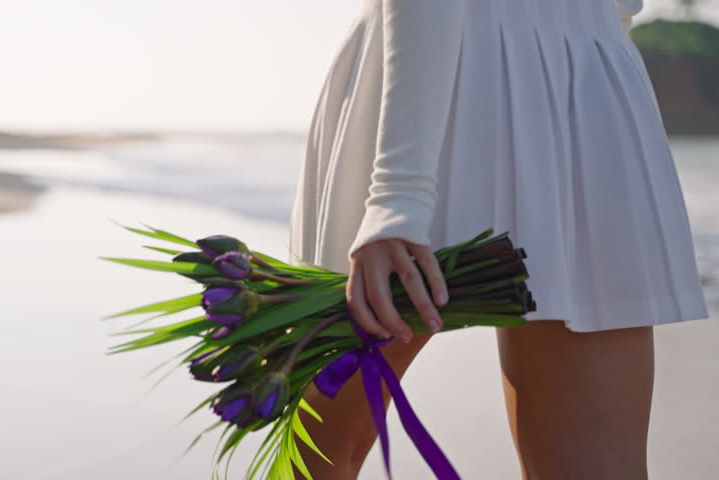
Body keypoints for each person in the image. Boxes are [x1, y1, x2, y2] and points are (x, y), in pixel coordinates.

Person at [286, 1, 710, 479]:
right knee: (320, 456)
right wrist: (397, 192)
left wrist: (397, 193)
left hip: (554, 71)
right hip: (493, 77)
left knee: (316, 461)